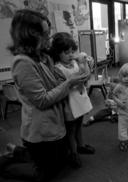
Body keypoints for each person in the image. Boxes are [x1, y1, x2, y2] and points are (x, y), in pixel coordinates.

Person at [8, 9, 89, 181]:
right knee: (45, 174)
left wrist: (80, 67)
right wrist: (69, 82)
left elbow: (59, 80)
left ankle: (19, 152)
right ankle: (6, 161)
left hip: (55, 124)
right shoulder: (23, 62)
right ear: (30, 35)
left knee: (59, 161)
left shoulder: (43, 56)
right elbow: (42, 100)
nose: (49, 38)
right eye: (45, 34)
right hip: (40, 130)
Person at [50, 32, 95, 168]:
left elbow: (86, 76)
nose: (70, 55)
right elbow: (61, 87)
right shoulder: (57, 69)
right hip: (69, 103)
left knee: (79, 124)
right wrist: (75, 79)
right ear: (58, 53)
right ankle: (73, 153)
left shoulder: (75, 63)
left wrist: (87, 65)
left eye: (72, 51)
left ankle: (80, 145)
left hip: (80, 99)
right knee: (71, 128)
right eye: (66, 52)